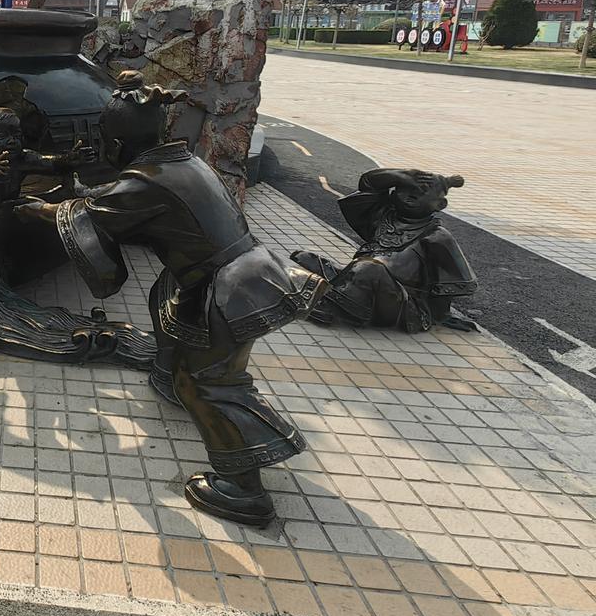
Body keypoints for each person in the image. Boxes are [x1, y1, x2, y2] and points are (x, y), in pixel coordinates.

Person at [24, 71, 326, 526]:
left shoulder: (145, 182)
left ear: (116, 143)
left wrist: (38, 209)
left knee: (208, 382)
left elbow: (92, 215)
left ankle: (244, 489)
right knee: (164, 301)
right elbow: (112, 198)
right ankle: (168, 376)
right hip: (229, 273)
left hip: (227, 288)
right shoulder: (181, 161)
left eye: (106, 141)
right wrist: (79, 189)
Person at [291, 169, 476, 333]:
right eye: (406, 189)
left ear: (440, 205)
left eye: (422, 193)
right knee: (304, 258)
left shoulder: (437, 236)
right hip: (357, 277)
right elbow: (368, 184)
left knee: (370, 268)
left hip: (400, 302)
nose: (411, 195)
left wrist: (441, 315)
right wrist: (401, 175)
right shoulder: (382, 217)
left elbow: (453, 282)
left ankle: (329, 305)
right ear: (393, 193)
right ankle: (334, 292)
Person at [0, 107, 93, 211]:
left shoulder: (22, 158)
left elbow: (50, 163)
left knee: (46, 198)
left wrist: (68, 159)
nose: (12, 141)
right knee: (32, 207)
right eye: (2, 136)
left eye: (16, 135)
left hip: (10, 206)